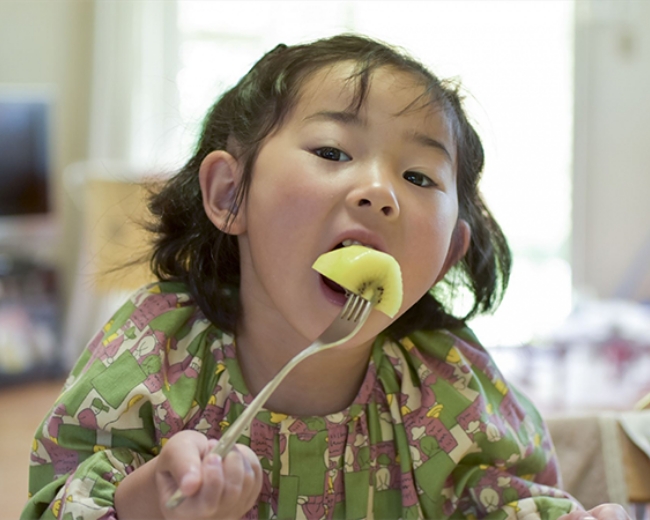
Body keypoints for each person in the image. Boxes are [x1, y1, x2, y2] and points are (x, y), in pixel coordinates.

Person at [22, 34, 630, 520]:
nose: (379, 192)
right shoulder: (153, 353)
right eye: (333, 152)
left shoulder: (449, 390)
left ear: (447, 255)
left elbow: (506, 499)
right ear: (232, 195)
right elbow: (60, 497)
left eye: (419, 177)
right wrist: (151, 501)